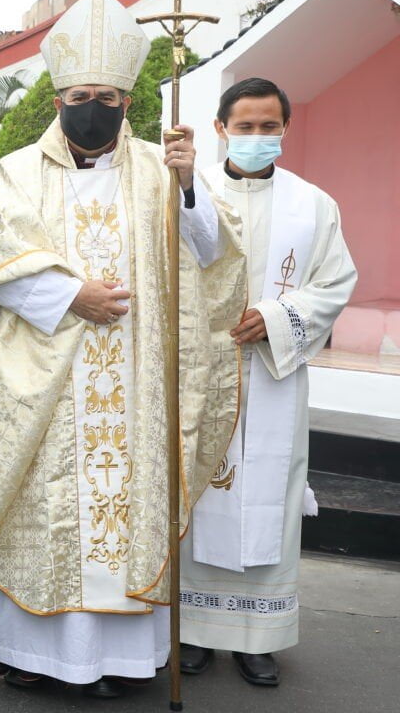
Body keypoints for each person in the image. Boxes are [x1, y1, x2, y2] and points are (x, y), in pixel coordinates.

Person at [0, 0, 248, 699]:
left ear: (127, 101)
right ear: (59, 98)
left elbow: (212, 258)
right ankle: (30, 655)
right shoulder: (16, 172)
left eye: (105, 94)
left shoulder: (162, 171)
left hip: (135, 384)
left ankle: (122, 663)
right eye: (78, 94)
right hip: (43, 382)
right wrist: (73, 295)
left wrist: (191, 188)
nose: (90, 106)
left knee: (127, 510)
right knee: (41, 512)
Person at [180, 78, 357, 687]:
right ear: (220, 129)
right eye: (246, 126)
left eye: (269, 126)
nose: (258, 137)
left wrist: (278, 318)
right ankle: (193, 631)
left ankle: (259, 636)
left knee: (267, 496)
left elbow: (335, 282)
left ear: (286, 129)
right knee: (200, 490)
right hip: (203, 373)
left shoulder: (312, 204)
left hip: (274, 373)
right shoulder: (187, 192)